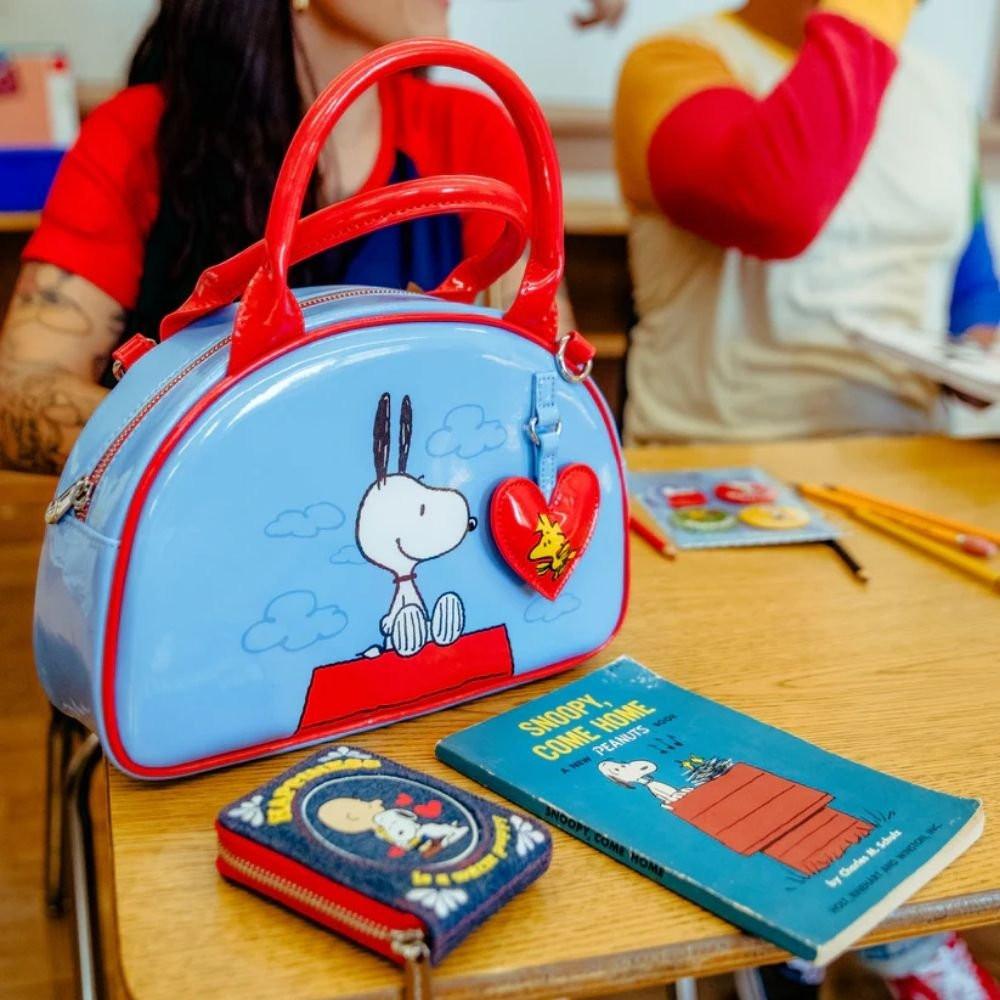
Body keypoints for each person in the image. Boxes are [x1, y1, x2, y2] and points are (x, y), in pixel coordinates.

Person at [0, 0, 566, 475]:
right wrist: (224, 461)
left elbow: (550, 381)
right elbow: (19, 391)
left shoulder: (475, 132)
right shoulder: (134, 138)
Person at [612, 0, 1000, 443]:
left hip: (910, 461)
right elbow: (778, 207)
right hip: (713, 466)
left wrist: (977, 348)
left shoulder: (945, 94)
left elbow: (971, 286)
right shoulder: (672, 62)